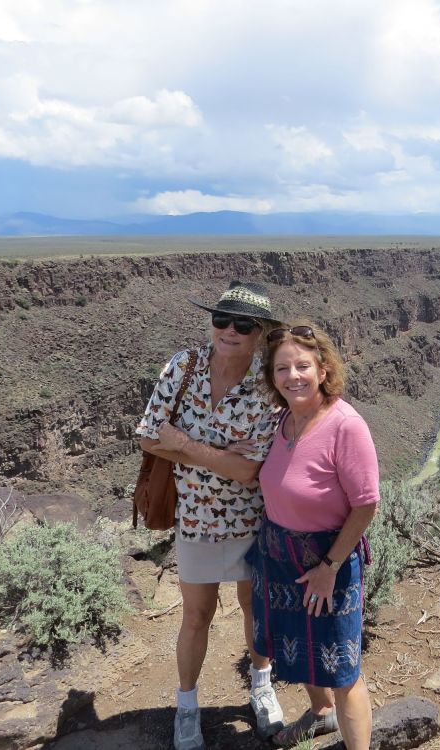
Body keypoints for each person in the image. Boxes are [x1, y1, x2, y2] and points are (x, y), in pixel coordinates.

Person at [136, 280, 285, 750]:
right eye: (222, 319)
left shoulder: (268, 384)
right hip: (196, 520)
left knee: (253, 610)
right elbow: (146, 437)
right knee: (196, 616)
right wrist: (215, 452)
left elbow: (246, 473)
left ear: (260, 332)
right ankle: (186, 708)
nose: (230, 330)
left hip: (251, 521)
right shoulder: (184, 367)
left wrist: (182, 443)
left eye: (244, 324)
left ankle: (261, 688)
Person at [243, 322, 378, 749]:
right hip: (278, 556)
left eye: (303, 365)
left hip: (326, 562)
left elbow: (366, 504)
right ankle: (320, 714)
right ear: (272, 377)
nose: (292, 376)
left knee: (343, 670)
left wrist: (330, 567)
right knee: (295, 650)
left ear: (323, 369)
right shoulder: (283, 419)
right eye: (282, 368)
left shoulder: (344, 425)